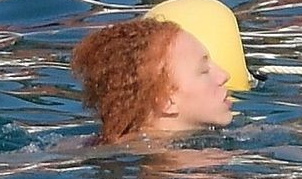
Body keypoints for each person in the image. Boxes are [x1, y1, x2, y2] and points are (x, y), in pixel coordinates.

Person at [70, 17, 234, 145]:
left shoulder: (81, 146)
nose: (224, 75)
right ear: (165, 100)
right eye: (204, 71)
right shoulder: (190, 161)